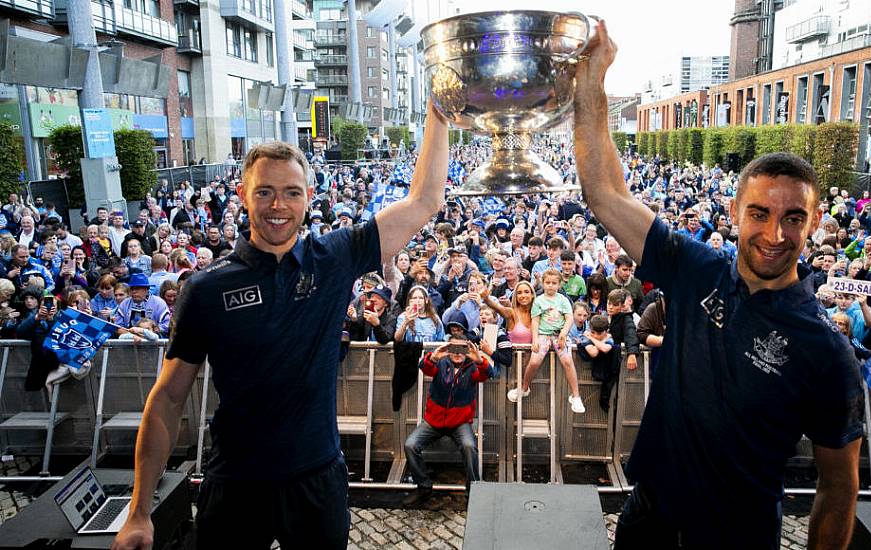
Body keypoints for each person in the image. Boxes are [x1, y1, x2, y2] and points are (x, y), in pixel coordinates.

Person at [573, 21, 863, 548]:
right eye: (759, 213)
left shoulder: (828, 351)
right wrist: (591, 84)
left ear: (815, 222)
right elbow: (604, 194)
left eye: (794, 218)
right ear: (734, 211)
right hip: (648, 519)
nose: (775, 234)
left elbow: (839, 488)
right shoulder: (695, 267)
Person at [113, 102, 447, 550]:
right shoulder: (206, 289)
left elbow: (424, 200)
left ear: (309, 195)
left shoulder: (335, 257)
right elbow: (169, 399)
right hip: (235, 483)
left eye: (292, 192)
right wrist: (138, 512)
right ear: (242, 194)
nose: (278, 205)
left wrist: (439, 111)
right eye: (265, 192)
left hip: (317, 478)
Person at [402, 338, 491, 506]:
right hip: (434, 421)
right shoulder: (441, 362)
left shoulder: (472, 366)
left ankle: (474, 492)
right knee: (410, 445)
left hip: (460, 422)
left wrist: (479, 359)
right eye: (453, 348)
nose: (457, 353)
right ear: (448, 349)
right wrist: (435, 356)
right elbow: (424, 367)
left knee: (469, 447)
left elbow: (487, 374)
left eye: (462, 348)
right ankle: (424, 487)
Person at [506, 269, 584, 414]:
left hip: (558, 335)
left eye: (554, 283)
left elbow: (569, 318)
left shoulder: (563, 300)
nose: (550, 286)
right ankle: (524, 387)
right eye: (547, 283)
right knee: (535, 361)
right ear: (543, 283)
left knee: (567, 361)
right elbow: (535, 321)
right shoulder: (539, 301)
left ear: (559, 284)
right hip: (543, 334)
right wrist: (535, 339)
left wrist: (563, 334)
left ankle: (576, 395)